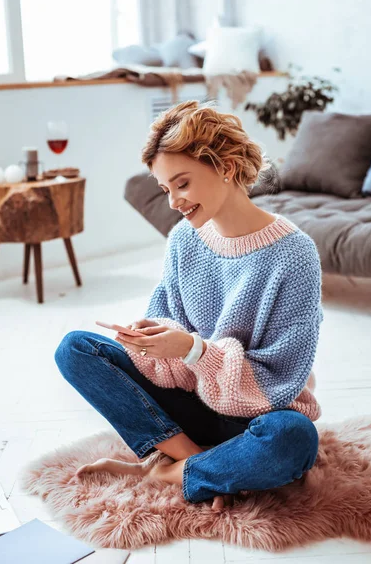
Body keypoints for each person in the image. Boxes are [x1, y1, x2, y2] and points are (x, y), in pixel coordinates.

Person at [55, 100, 323, 511]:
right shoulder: (184, 239)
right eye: (165, 190)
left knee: (294, 439)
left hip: (257, 414)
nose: (173, 201)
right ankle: (198, 463)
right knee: (75, 348)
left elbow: (281, 380)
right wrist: (150, 339)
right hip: (191, 402)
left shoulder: (295, 254)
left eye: (182, 183)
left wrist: (193, 349)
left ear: (226, 167)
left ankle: (164, 471)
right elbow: (169, 326)